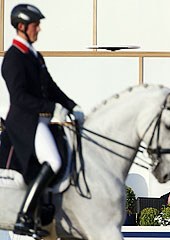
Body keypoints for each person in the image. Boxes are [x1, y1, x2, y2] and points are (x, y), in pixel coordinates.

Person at [0, 4, 84, 237]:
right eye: (36, 25)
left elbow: (52, 87)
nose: (39, 29)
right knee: (55, 161)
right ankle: (24, 216)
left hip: (43, 120)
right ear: (22, 27)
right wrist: (51, 107)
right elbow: (20, 97)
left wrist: (71, 105)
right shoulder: (13, 58)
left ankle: (46, 209)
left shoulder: (35, 56)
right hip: (26, 123)